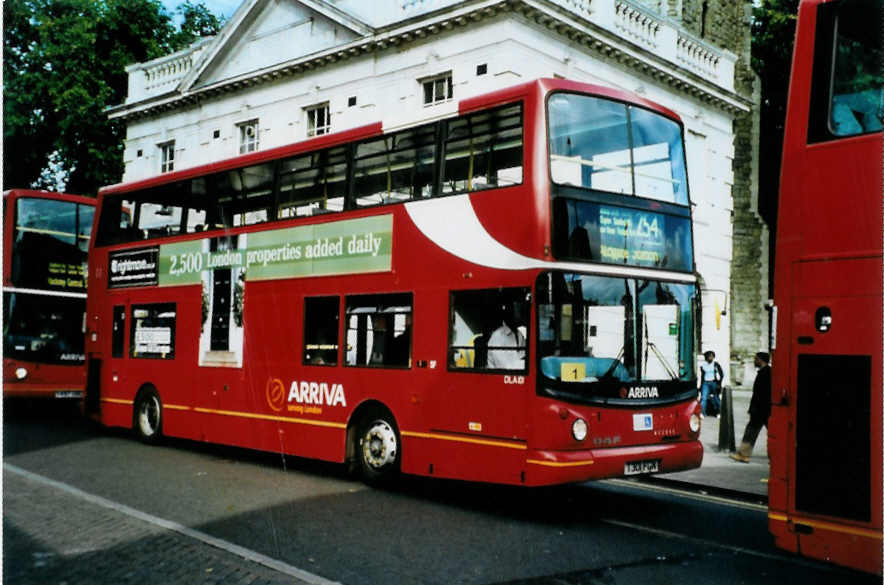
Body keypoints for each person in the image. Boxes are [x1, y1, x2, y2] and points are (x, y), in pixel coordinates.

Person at [730, 352, 771, 463]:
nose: (754, 361)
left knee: (751, 431)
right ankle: (775, 457)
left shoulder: (765, 373)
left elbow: (761, 394)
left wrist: (754, 408)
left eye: (756, 359)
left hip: (761, 409)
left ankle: (744, 455)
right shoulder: (766, 372)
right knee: (771, 433)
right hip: (765, 409)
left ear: (761, 360)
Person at [487, 301, 526, 370]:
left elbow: (523, 356)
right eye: (516, 312)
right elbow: (505, 367)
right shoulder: (497, 337)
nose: (519, 315)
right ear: (509, 315)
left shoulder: (519, 334)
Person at [698, 350, 724, 417]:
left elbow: (721, 374)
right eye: (709, 356)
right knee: (704, 398)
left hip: (714, 382)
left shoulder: (716, 365)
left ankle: (719, 412)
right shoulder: (703, 366)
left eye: (712, 356)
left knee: (716, 398)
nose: (710, 358)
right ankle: (702, 413)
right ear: (706, 357)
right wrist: (700, 385)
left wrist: (719, 383)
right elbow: (702, 376)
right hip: (706, 383)